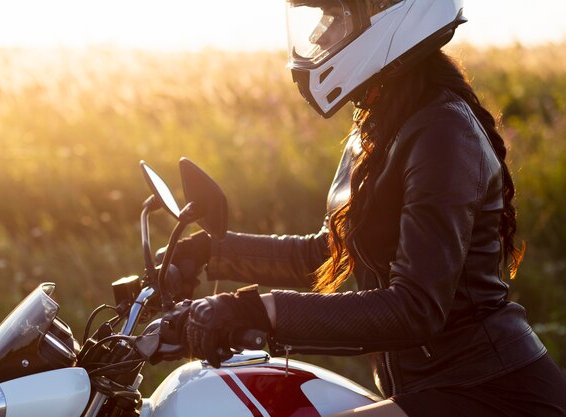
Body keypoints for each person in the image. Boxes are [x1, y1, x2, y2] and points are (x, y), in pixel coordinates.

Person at [161, 0, 566, 416]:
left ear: (387, 18)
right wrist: (209, 253)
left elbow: (415, 307)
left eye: (334, 17)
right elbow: (328, 253)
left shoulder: (444, 133)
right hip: (428, 388)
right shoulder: (380, 124)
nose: (319, 35)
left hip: (490, 391)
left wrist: (254, 311)